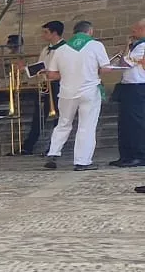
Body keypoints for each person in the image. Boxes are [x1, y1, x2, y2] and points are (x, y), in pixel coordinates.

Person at [47, 21, 110, 171]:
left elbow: (52, 74)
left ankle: (53, 152)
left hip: (67, 92)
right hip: (89, 91)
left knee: (63, 123)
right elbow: (106, 69)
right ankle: (82, 161)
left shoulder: (61, 49)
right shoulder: (96, 45)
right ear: (90, 31)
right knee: (86, 126)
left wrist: (69, 74)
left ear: (74, 33)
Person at [25, 21, 65, 156]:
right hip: (44, 85)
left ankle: (54, 148)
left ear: (54, 33)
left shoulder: (65, 49)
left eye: (46, 32)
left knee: (58, 118)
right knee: (38, 115)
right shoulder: (45, 49)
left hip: (58, 85)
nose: (43, 35)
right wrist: (28, 69)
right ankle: (28, 145)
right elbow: (40, 65)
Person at [111, 20, 145, 168]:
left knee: (136, 123)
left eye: (136, 29)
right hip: (127, 86)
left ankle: (138, 155)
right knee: (124, 123)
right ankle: (126, 155)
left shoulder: (143, 46)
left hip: (137, 87)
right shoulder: (135, 46)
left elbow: (125, 63)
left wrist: (126, 48)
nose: (132, 31)